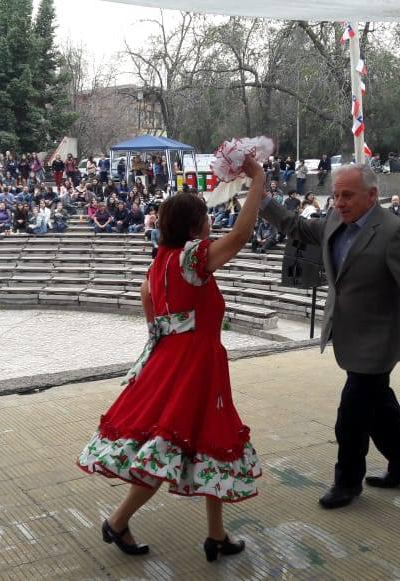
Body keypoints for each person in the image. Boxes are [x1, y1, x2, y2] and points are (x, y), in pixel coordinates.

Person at [77, 157, 268, 562]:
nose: (209, 225)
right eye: (204, 218)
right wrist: (259, 180)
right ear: (194, 226)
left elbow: (154, 324)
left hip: (171, 362)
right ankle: (117, 521)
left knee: (202, 441)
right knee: (168, 448)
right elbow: (241, 235)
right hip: (195, 367)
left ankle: (216, 535)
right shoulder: (192, 258)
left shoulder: (156, 266)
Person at [260, 163, 400, 510]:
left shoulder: (395, 232)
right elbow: (296, 226)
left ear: (372, 196)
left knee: (351, 414)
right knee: (379, 406)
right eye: (335, 195)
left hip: (379, 342)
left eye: (347, 195)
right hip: (349, 334)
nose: (339, 202)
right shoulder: (334, 220)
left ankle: (347, 483)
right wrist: (261, 197)